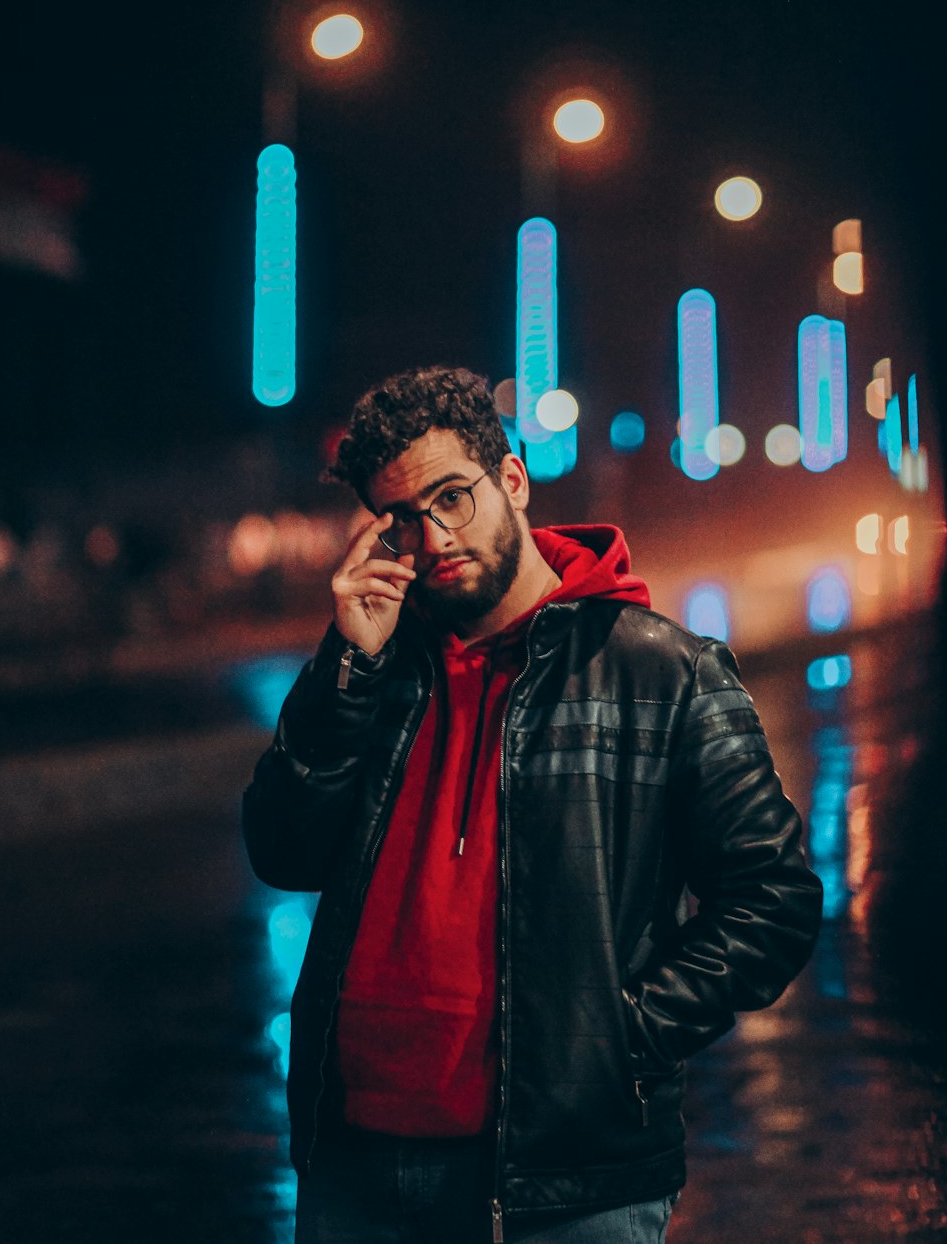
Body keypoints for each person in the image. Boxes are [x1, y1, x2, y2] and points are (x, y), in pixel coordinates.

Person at [243, 365, 822, 1243]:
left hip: (568, 1183)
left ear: (512, 480)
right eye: (400, 517)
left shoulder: (663, 670)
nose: (432, 538)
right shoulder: (375, 664)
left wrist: (620, 1038)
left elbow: (773, 902)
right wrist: (347, 668)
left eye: (451, 499)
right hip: (355, 1161)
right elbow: (283, 851)